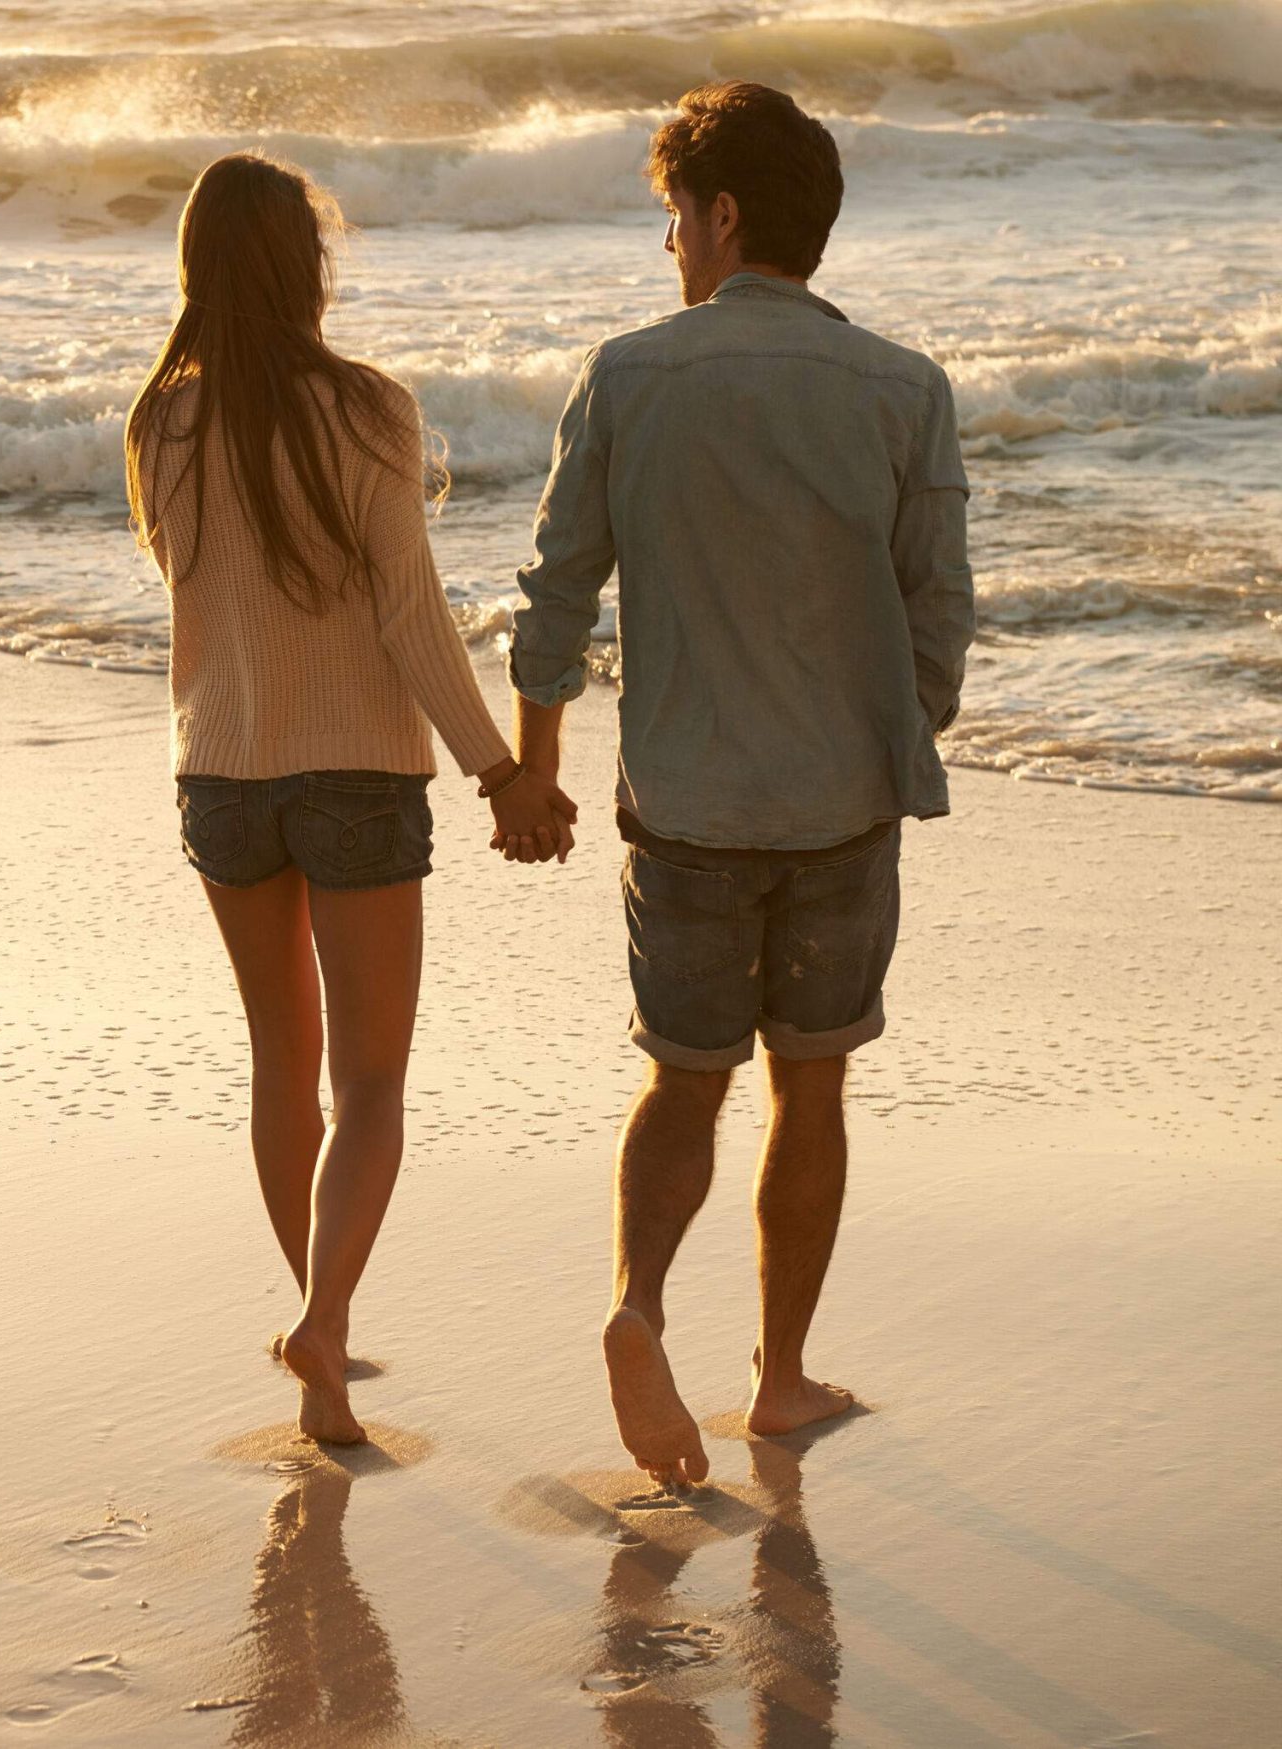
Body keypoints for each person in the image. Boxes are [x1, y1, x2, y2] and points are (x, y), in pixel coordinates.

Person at [502, 82, 976, 1488]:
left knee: (683, 1079)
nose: (669, 249)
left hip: (687, 809)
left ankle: (640, 1308)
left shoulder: (629, 376)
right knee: (811, 1088)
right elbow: (939, 615)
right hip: (840, 807)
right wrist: (893, 735)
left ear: (720, 216)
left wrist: (536, 773)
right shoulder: (905, 388)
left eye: (672, 219)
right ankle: (776, 1382)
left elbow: (554, 601)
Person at [127, 152, 577, 1446]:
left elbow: (200, 597)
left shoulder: (161, 421)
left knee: (286, 1062)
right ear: (308, 268)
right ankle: (324, 1319)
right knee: (371, 1086)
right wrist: (501, 769)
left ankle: (320, 1343)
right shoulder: (371, 410)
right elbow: (407, 615)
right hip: (360, 778)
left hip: (219, 772)